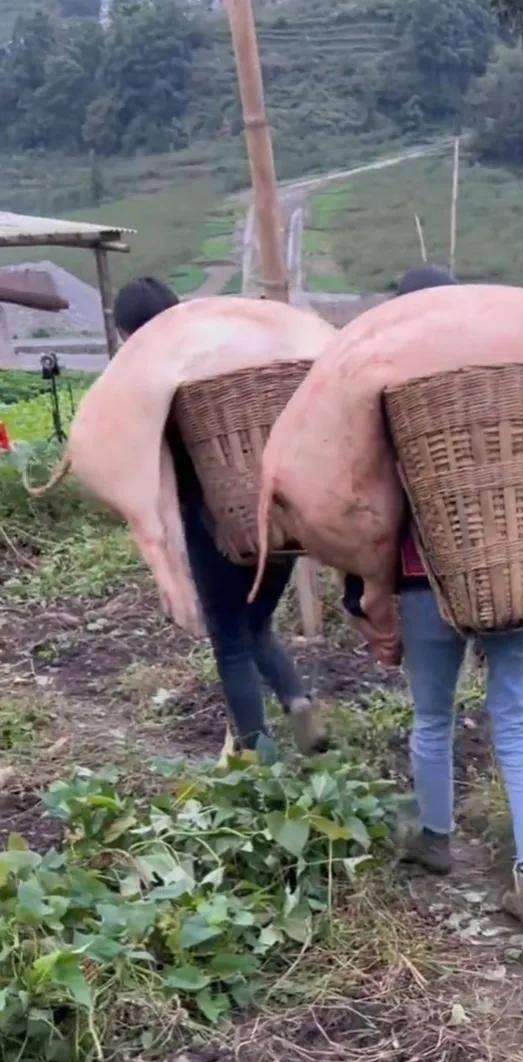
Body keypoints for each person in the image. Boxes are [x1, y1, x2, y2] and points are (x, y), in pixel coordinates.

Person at [344, 265, 523, 934]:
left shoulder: (394, 396)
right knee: (516, 728)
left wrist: (361, 594)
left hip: (425, 581)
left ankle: (435, 841)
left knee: (432, 718)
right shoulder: (516, 385)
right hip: (520, 580)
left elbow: (368, 505)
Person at [112, 277, 327, 758]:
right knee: (259, 623)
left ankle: (254, 751)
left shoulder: (152, 382)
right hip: (277, 517)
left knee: (229, 638)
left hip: (216, 525)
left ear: (127, 334)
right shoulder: (224, 360)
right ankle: (295, 700)